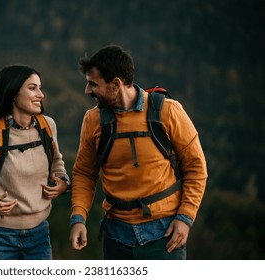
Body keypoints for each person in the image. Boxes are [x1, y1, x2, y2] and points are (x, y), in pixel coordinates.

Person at [69, 45, 207, 260]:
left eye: (93, 84)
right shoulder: (93, 120)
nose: (87, 91)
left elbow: (196, 168)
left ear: (116, 84)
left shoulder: (168, 111)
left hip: (165, 234)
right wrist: (78, 217)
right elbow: (84, 173)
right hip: (115, 235)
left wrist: (185, 218)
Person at [0, 65, 70, 260]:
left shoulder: (47, 126)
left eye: (40, 88)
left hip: (40, 235)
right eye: (32, 88)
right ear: (13, 93)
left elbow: (57, 162)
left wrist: (63, 183)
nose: (40, 94)